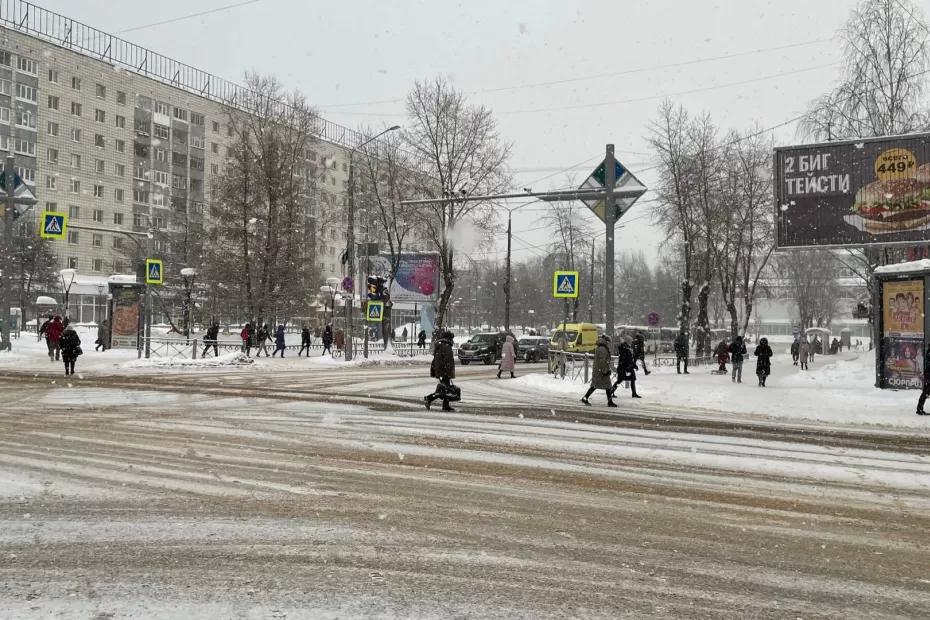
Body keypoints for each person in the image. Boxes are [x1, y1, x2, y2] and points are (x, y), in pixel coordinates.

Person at [581, 334, 617, 407]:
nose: (609, 344)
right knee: (600, 386)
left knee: (604, 386)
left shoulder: (601, 347)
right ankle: (585, 398)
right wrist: (605, 370)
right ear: (606, 341)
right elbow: (602, 361)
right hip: (601, 371)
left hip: (600, 370)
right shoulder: (602, 349)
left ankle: (609, 401)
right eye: (608, 342)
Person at [425, 331, 457, 412]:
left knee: (446, 388)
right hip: (445, 370)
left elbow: (437, 359)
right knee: (444, 389)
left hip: (440, 369)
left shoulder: (440, 345)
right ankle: (429, 398)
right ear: (449, 338)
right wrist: (449, 371)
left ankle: (445, 405)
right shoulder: (446, 346)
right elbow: (448, 360)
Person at [915, 344, 930, 415]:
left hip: (928, 374)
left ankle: (919, 408)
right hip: (929, 375)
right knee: (926, 392)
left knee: (926, 392)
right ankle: (919, 409)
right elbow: (928, 364)